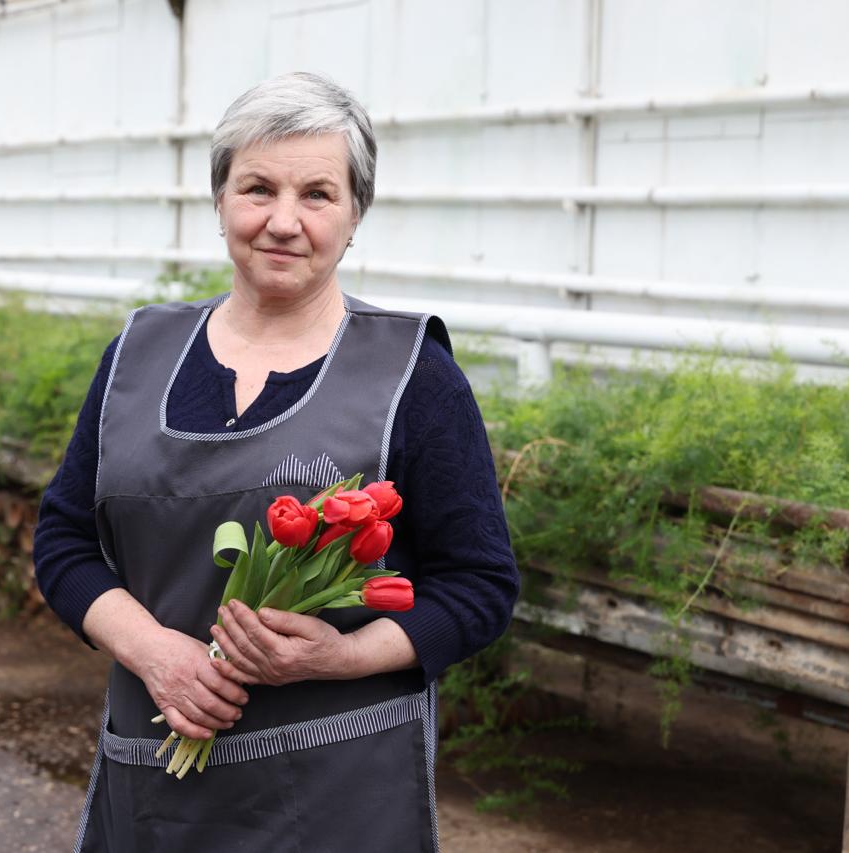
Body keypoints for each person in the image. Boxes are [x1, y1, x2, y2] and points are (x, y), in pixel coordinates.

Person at [33, 71, 519, 853]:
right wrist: (154, 651)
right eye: (257, 187)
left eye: (318, 195)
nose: (283, 222)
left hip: (339, 796)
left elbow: (479, 584)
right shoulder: (137, 356)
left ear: (355, 214)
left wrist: (346, 653)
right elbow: (64, 541)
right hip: (158, 789)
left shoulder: (412, 377)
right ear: (219, 199)